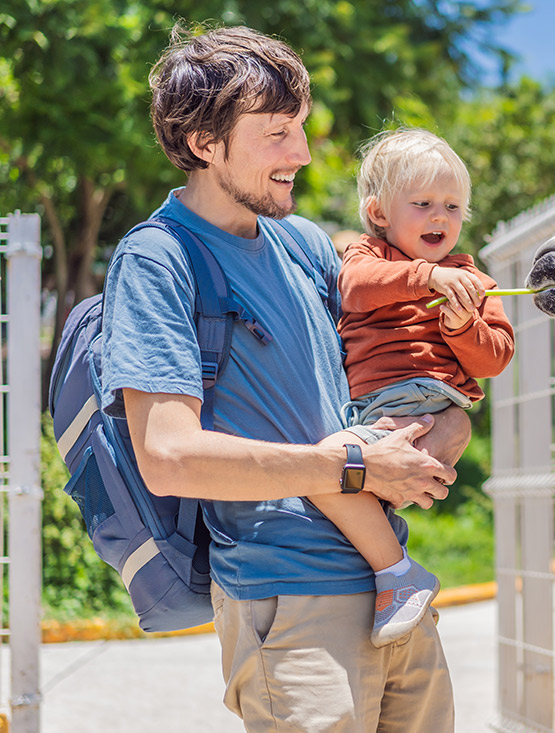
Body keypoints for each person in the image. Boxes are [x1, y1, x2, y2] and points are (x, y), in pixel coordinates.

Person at [101, 25, 468, 731]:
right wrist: (358, 465)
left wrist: (444, 422)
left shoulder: (304, 244)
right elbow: (169, 456)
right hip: (288, 602)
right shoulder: (158, 260)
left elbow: (385, 367)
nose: (301, 153)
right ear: (206, 144)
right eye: (276, 133)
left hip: (394, 588)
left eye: (299, 127)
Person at [311, 128, 514, 647]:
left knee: (325, 468)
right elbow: (354, 290)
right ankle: (389, 553)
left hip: (431, 405)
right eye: (422, 203)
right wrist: (426, 278)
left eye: (452, 205)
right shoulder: (368, 257)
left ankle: (397, 576)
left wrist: (461, 325)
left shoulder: (471, 276)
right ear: (380, 213)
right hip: (381, 411)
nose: (440, 217)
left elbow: (495, 358)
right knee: (342, 478)